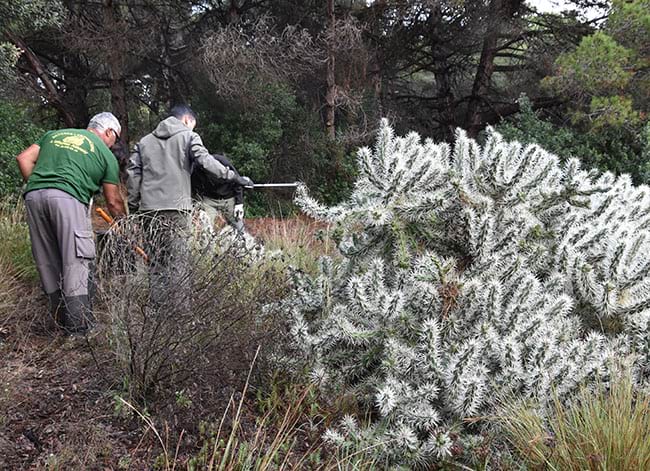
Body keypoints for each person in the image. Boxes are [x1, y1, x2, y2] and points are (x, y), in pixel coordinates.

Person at [126, 104, 253, 303]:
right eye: (193, 125)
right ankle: (179, 315)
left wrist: (134, 208)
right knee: (179, 263)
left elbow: (133, 175)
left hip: (148, 211)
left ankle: (157, 312)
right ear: (187, 120)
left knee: (156, 263)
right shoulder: (188, 136)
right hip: (177, 210)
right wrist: (232, 176)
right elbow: (206, 161)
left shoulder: (144, 142)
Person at [16, 112, 126, 334]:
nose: (113, 144)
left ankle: (57, 322)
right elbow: (113, 201)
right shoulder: (105, 153)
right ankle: (78, 329)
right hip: (68, 199)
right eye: (115, 138)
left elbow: (23, 158)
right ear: (109, 132)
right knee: (76, 259)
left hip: (34, 197)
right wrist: (123, 224)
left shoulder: (53, 136)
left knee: (48, 259)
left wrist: (42, 185)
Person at [192, 153, 246, 233]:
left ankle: (244, 243)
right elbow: (194, 185)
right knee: (206, 227)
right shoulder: (196, 166)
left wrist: (239, 203)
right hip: (209, 200)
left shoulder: (222, 161)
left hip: (229, 198)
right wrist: (196, 201)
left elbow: (237, 181)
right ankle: (206, 244)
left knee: (239, 227)